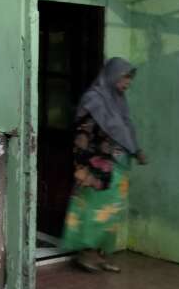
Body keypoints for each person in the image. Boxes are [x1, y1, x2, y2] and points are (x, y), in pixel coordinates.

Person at [60, 57, 148, 273]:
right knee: (93, 210)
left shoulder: (119, 101)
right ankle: (86, 253)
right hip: (97, 168)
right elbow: (82, 135)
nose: (128, 83)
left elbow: (125, 130)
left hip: (119, 166)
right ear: (112, 75)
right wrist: (81, 167)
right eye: (125, 77)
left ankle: (101, 254)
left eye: (130, 79)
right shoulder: (94, 99)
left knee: (112, 210)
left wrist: (136, 150)